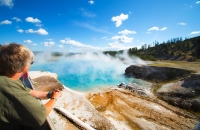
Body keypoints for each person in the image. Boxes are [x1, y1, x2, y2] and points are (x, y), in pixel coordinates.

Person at [0, 43, 62, 130]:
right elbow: (40, 117)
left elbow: (28, 91)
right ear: (23, 66)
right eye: (31, 62)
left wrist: (49, 94)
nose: (30, 65)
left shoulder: (8, 78)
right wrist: (54, 99)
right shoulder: (8, 86)